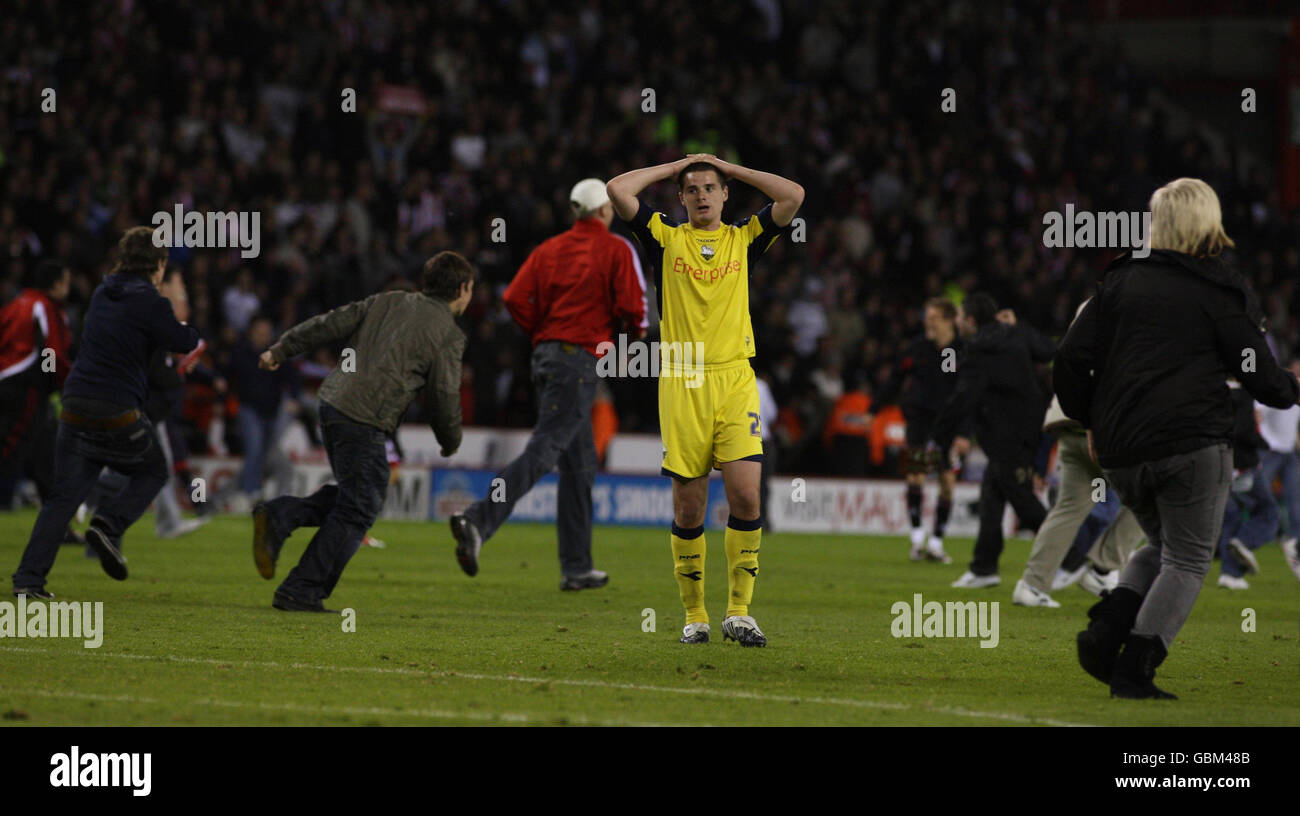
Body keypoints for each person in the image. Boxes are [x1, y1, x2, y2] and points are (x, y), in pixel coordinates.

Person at [1056, 177, 1300, 699]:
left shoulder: (1119, 279)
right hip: (1191, 443)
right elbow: (1256, 370)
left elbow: (1071, 359)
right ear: (1208, 223)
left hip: (1121, 449)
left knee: (1163, 546)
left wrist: (1090, 420)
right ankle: (1134, 669)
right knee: (1188, 559)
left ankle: (1104, 634)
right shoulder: (1218, 288)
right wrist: (1291, 390)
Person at [607, 154, 804, 646]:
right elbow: (617, 190)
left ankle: (739, 612)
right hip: (683, 382)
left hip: (736, 380)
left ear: (724, 194)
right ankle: (695, 615)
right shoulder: (664, 237)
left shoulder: (744, 238)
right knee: (690, 508)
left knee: (745, 495)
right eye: (691, 188)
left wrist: (730, 166)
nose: (700, 195)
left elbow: (793, 196)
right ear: (681, 197)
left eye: (709, 187)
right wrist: (676, 164)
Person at [448, 178, 647, 590]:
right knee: (545, 449)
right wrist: (630, 334)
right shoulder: (615, 248)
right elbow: (634, 308)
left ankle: (576, 567)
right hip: (581, 360)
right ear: (605, 211)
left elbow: (515, 299)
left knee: (579, 466)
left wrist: (545, 332)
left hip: (547, 358)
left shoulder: (548, 249)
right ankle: (478, 520)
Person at [251, 251, 472, 612]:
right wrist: (450, 440)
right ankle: (301, 588)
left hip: (332, 403)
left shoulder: (389, 300)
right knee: (361, 504)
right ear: (463, 288)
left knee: (355, 496)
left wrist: (281, 349)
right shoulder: (448, 334)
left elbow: (330, 323)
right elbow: (443, 395)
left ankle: (282, 516)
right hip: (364, 416)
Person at [11, 227, 202, 597]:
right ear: (159, 266)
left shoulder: (102, 293)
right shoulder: (152, 302)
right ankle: (109, 524)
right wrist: (184, 321)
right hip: (116, 408)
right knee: (153, 469)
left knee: (62, 498)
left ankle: (28, 581)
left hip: (75, 404)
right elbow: (182, 341)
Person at [930, 294, 1054, 588]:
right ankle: (984, 568)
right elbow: (1048, 351)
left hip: (1008, 437)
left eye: (960, 316)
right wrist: (1018, 327)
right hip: (1023, 429)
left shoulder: (977, 351)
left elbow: (962, 400)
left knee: (1024, 503)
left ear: (971, 321)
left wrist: (941, 438)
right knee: (992, 498)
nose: (958, 320)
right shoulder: (1017, 337)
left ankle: (1075, 558)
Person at [1013, 391, 1144, 607]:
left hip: (1070, 428)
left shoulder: (1077, 354)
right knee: (1152, 497)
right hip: (1109, 430)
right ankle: (1102, 568)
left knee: (1067, 509)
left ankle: (1031, 585)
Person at [868, 297, 963, 563]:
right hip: (920, 422)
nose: (927, 322)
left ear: (948, 320)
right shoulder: (918, 348)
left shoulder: (960, 351)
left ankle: (936, 542)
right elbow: (895, 379)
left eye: (933, 318)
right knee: (916, 476)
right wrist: (874, 410)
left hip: (947, 427)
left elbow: (969, 393)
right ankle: (917, 538)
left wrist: (965, 431)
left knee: (947, 484)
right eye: (927, 317)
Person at [0, 260, 83, 546]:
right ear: (56, 284)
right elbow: (51, 353)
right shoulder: (44, 307)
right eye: (66, 281)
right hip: (27, 387)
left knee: (46, 461)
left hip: (13, 383)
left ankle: (58, 528)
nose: (68, 287)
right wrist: (63, 383)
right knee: (10, 449)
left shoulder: (18, 302)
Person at [1215, 381, 1277, 590]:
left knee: (1231, 517)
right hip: (1243, 466)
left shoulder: (1212, 389)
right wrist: (1263, 443)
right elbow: (1243, 430)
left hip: (1218, 464)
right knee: (1269, 513)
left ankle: (1230, 574)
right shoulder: (1244, 395)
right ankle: (1246, 540)